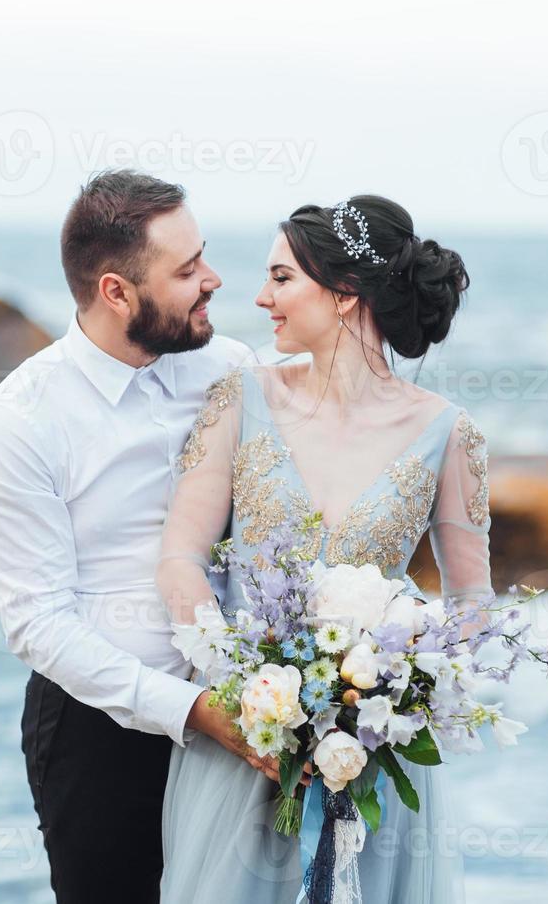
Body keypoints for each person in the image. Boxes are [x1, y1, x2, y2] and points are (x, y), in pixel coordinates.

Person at [155, 196, 494, 903]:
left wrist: (401, 693)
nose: (260, 297)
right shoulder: (237, 400)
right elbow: (181, 557)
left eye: (282, 278)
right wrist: (243, 690)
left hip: (372, 761)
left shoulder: (447, 432)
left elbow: (471, 601)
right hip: (244, 749)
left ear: (344, 294)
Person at [0, 170, 264, 902]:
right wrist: (190, 712)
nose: (214, 281)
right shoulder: (20, 422)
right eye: (187, 271)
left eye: (205, 258)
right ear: (116, 292)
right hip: (99, 732)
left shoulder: (232, 370)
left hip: (251, 711)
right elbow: (37, 622)